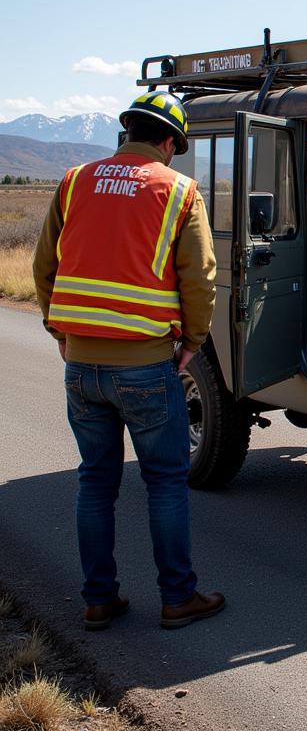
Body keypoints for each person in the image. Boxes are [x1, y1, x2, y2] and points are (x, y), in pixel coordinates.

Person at [33, 91, 224, 630]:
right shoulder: (179, 190)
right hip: (145, 363)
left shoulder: (74, 181)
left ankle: (99, 599)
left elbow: (45, 264)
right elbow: (200, 278)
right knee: (165, 482)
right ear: (168, 142)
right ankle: (177, 598)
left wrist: (60, 330)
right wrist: (193, 341)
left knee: (95, 481)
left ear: (127, 132)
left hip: (81, 364)